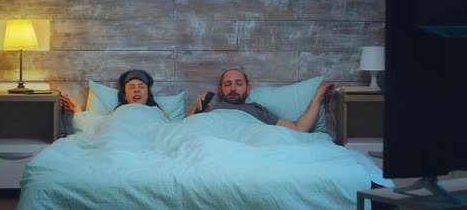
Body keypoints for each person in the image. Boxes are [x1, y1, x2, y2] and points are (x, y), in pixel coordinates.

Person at [185, 69, 334, 133]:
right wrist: (196, 110)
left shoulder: (257, 110)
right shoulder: (212, 109)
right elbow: (179, 129)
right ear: (220, 90)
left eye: (238, 83)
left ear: (248, 89)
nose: (233, 88)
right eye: (227, 84)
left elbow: (299, 129)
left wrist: (318, 98)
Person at [61, 69, 169, 119]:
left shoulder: (159, 114)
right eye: (132, 87)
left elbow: (173, 133)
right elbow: (93, 125)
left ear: (148, 94)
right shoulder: (117, 113)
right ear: (124, 96)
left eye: (141, 87)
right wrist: (77, 111)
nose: (137, 90)